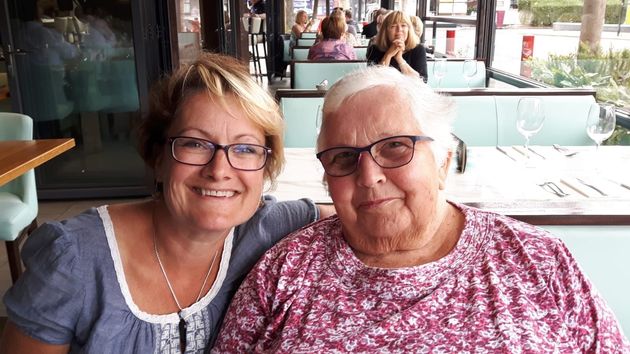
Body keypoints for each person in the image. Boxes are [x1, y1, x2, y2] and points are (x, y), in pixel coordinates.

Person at [212, 66, 630, 352]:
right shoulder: (284, 271)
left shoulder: (539, 261)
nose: (369, 175)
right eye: (343, 157)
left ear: (445, 159)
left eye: (396, 146)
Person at [0, 53, 333, 353]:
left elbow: (363, 217)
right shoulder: (75, 258)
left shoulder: (267, 226)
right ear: (158, 158)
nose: (219, 171)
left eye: (245, 149)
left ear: (265, 168)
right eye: (195, 144)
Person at [366, 10, 428, 81]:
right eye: (393, 26)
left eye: (403, 25)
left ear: (408, 29)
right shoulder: (375, 48)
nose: (399, 30)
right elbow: (373, 80)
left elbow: (421, 82)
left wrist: (399, 59)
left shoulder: (418, 49)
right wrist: (388, 55)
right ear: (386, 31)